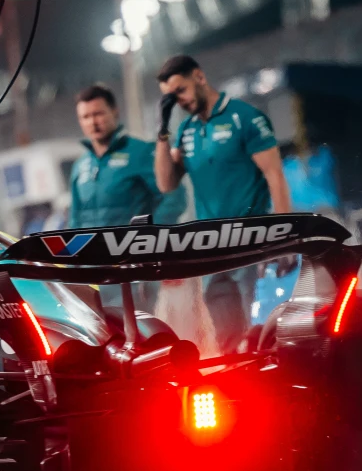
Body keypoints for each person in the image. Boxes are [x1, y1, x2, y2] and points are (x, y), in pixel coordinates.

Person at [153, 54, 291, 350]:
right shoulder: (187, 131)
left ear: (199, 77)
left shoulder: (245, 118)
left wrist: (284, 238)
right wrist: (163, 129)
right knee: (227, 338)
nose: (179, 100)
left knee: (258, 334)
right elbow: (166, 183)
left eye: (181, 90)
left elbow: (275, 176)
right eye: (170, 97)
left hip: (251, 243)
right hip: (212, 250)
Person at [70, 83, 185, 228]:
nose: (93, 122)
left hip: (132, 247)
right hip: (93, 249)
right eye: (85, 117)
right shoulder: (80, 165)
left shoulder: (141, 152)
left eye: (98, 114)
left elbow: (174, 197)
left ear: (114, 112)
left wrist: (151, 233)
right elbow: (75, 217)